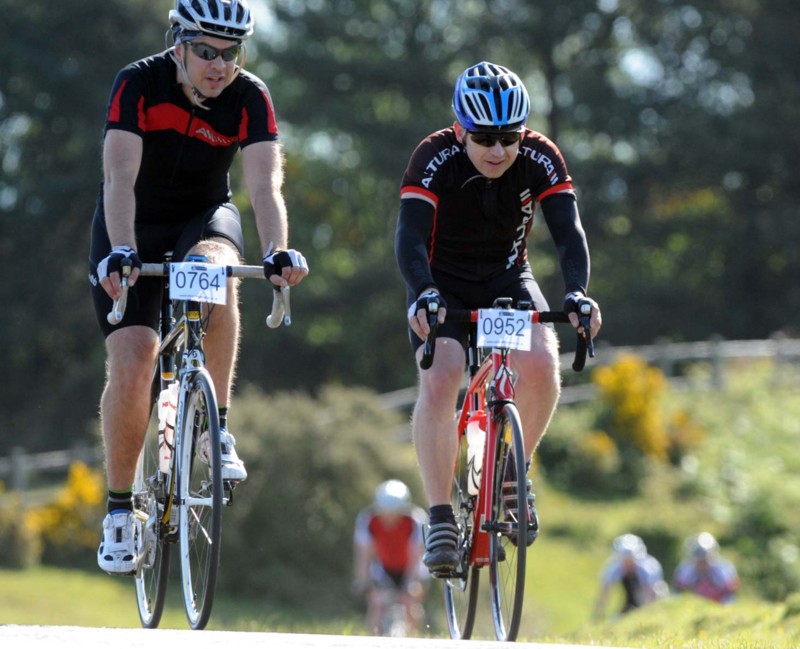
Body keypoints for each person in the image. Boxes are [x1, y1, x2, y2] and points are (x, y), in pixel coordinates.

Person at [89, 0, 308, 576]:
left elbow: (264, 185)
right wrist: (121, 248)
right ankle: (118, 509)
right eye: (207, 51)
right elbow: (118, 178)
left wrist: (278, 249)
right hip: (131, 222)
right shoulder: (139, 82)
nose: (219, 65)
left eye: (230, 53)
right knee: (135, 361)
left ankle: (217, 429)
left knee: (216, 273)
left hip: (204, 216)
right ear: (179, 43)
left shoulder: (249, 95)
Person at [394, 61, 602, 575]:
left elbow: (569, 234)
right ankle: (441, 515)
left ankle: (513, 472)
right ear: (461, 128)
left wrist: (577, 293)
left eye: (509, 137)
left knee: (541, 367)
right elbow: (410, 238)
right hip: (442, 282)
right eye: (484, 137)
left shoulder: (540, 156)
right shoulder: (433, 156)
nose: (497, 150)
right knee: (442, 379)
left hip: (508, 275)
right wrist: (422, 293)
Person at [353, 480, 429, 636]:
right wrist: (363, 580)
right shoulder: (368, 520)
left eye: (395, 512)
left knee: (410, 603)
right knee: (377, 604)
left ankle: (414, 639)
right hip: (384, 567)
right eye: (385, 511)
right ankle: (373, 639)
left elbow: (416, 555)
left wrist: (410, 584)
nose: (390, 517)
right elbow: (364, 554)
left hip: (411, 566)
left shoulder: (416, 520)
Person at [593, 534, 669, 620]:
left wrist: (644, 615)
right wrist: (598, 613)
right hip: (632, 600)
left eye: (630, 560)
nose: (627, 563)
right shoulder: (615, 567)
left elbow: (649, 592)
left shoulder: (647, 568)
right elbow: (605, 590)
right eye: (624, 560)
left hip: (653, 598)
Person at [674, 532, 740, 603]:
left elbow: (730, 593)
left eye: (704, 559)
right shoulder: (686, 570)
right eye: (698, 559)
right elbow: (679, 592)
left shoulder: (724, 569)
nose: (701, 563)